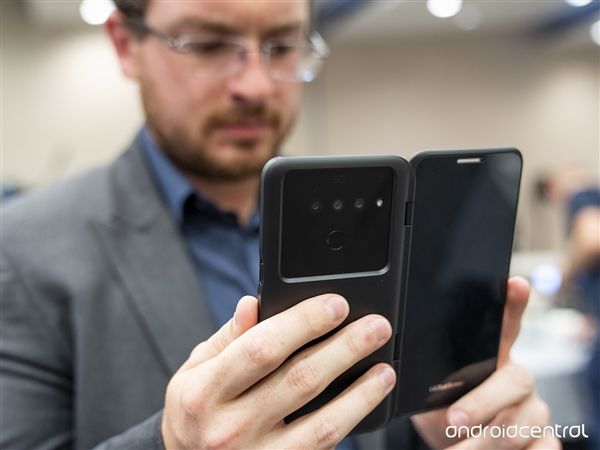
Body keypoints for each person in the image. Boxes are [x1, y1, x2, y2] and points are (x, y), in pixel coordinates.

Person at [0, 1, 559, 449]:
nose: (256, 86)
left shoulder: (385, 224)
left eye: (284, 46)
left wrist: (445, 426)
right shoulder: (22, 250)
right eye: (208, 44)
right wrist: (169, 443)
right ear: (126, 44)